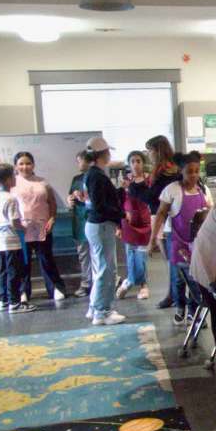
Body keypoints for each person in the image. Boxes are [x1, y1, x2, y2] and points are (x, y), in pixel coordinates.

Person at [148, 152, 212, 326]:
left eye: (196, 171)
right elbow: (161, 214)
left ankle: (193, 311)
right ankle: (180, 307)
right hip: (177, 240)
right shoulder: (172, 190)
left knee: (195, 278)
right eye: (189, 171)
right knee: (178, 278)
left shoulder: (203, 190)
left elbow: (210, 215)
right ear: (181, 171)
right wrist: (152, 239)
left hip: (197, 243)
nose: (194, 175)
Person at [12, 151, 68, 301]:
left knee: (46, 259)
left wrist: (52, 219)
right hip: (22, 229)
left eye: (28, 163)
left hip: (43, 227)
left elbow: (52, 202)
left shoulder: (43, 182)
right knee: (23, 261)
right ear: (15, 166)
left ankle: (55, 288)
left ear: (33, 165)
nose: (25, 167)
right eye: (21, 164)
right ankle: (23, 291)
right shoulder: (12, 184)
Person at [82, 137, 126, 325]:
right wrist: (121, 214)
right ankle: (102, 311)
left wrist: (119, 193)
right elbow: (100, 205)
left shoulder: (92, 174)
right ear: (102, 154)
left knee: (101, 268)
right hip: (101, 225)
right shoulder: (97, 176)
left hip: (97, 225)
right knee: (106, 269)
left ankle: (95, 307)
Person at [137, 135, 181, 309]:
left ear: (158, 150)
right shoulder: (168, 169)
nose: (148, 154)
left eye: (150, 150)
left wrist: (135, 187)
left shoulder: (165, 172)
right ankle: (173, 294)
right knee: (172, 261)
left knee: (172, 261)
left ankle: (174, 295)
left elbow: (153, 197)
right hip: (165, 218)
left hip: (166, 219)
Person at [0, 163, 36, 314]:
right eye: (14, 175)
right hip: (10, 239)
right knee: (13, 271)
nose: (16, 178)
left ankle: (4, 300)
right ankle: (15, 303)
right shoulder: (10, 198)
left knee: (3, 270)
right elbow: (14, 222)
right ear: (9, 179)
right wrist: (24, 227)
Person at [116, 151, 151, 301]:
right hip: (128, 222)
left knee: (140, 256)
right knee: (130, 254)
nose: (136, 164)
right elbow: (119, 203)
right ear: (129, 164)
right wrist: (118, 226)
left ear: (143, 163)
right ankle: (130, 280)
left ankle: (140, 284)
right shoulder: (124, 181)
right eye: (132, 161)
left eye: (138, 161)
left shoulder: (149, 181)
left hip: (144, 222)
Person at [67, 151, 92, 298]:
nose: (78, 164)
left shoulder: (96, 177)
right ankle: (86, 283)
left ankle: (99, 283)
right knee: (83, 254)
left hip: (93, 220)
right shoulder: (76, 179)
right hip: (80, 221)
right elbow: (71, 196)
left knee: (96, 254)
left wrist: (84, 198)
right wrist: (70, 200)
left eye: (79, 161)